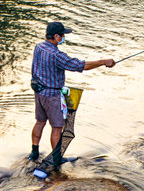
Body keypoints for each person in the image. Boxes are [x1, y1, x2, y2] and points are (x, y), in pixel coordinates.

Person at [29, 21, 115, 163]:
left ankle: (34, 153)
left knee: (40, 122)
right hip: (52, 96)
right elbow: (80, 66)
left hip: (38, 92)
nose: (64, 37)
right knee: (57, 127)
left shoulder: (38, 47)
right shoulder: (57, 55)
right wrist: (103, 61)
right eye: (62, 35)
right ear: (56, 36)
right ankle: (56, 159)